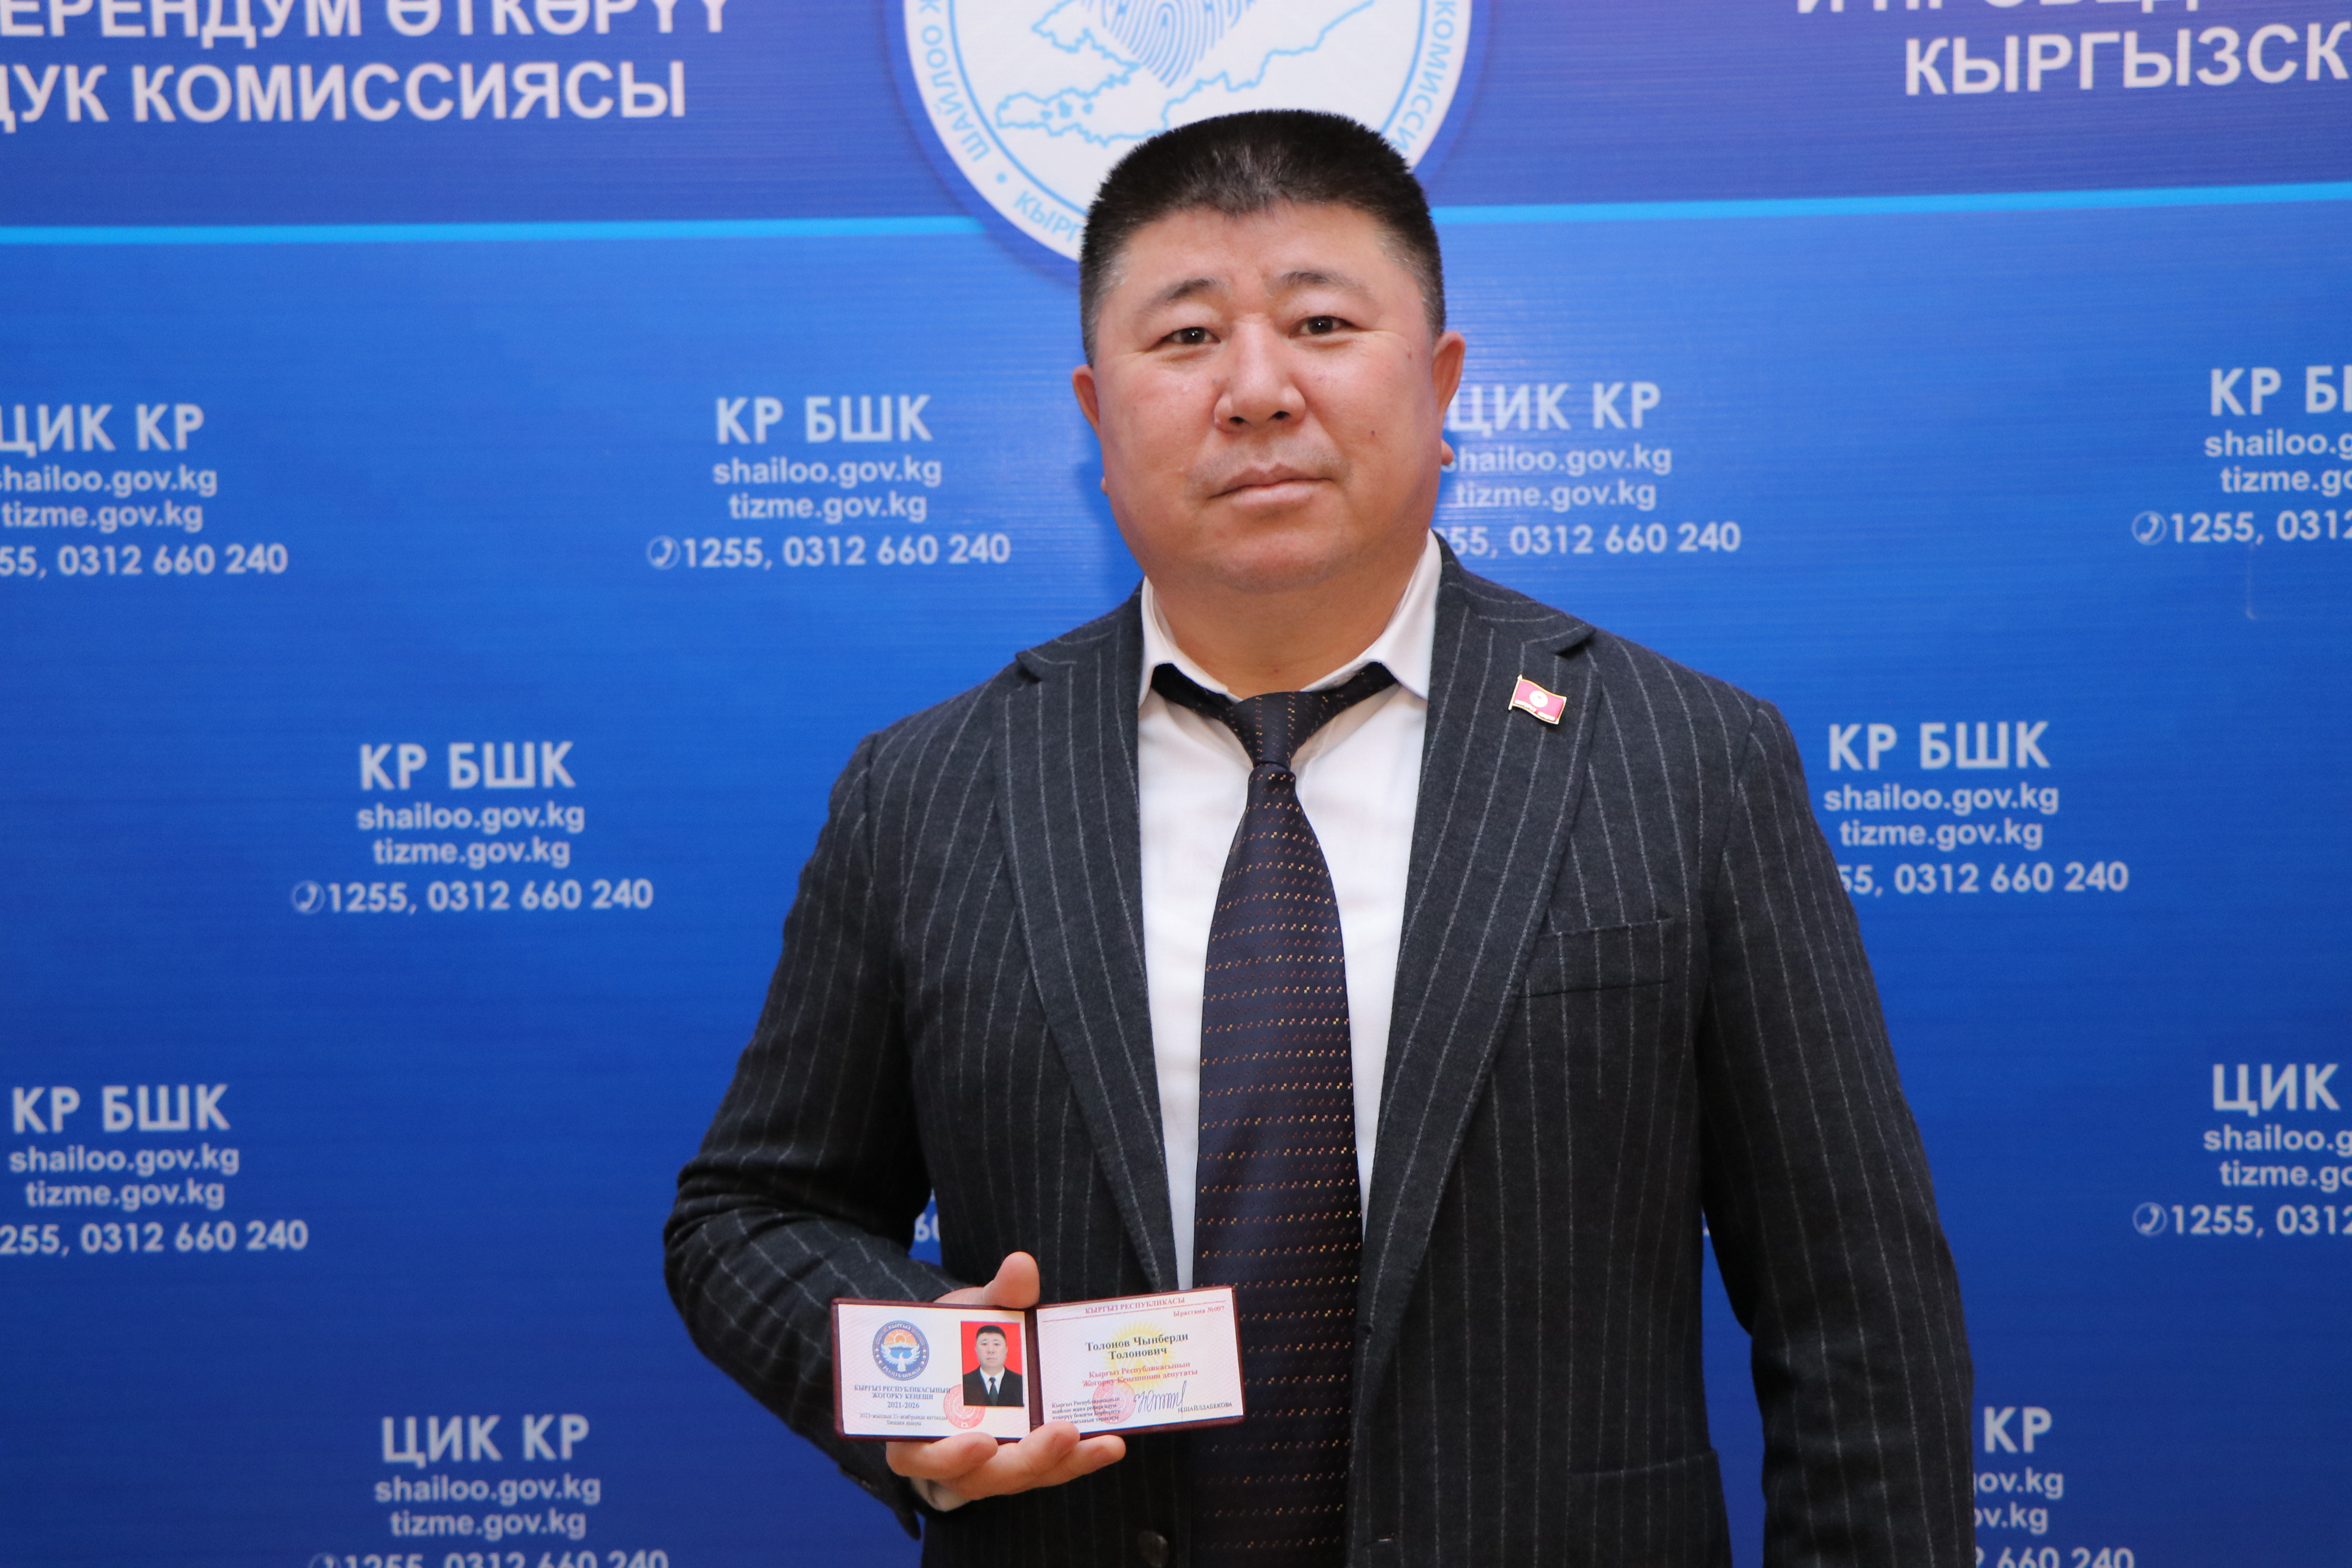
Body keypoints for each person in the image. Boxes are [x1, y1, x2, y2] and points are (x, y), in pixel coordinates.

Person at [666, 109, 1973, 1567]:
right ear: (1095, 413)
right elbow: (750, 1213)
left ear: (1440, 380)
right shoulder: (926, 790)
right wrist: (929, 1370)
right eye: (1185, 338)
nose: (1254, 390)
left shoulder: (1686, 760)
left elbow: (1857, 1316)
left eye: (1320, 324)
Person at [961, 1325, 1024, 1409]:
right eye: (985, 1344)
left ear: (1006, 1350)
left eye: (997, 1344)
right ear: (976, 1350)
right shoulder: (963, 1383)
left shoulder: (1022, 1383)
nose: (991, 1350)